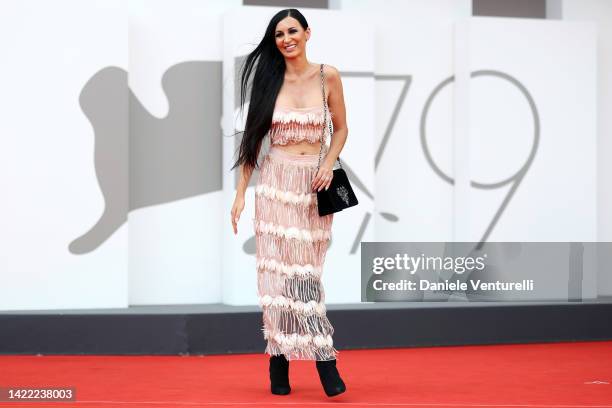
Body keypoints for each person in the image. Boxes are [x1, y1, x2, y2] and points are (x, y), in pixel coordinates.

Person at [229, 8, 348, 398]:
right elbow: (251, 142)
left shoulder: (328, 75)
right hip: (275, 185)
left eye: (292, 30)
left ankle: (302, 357)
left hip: (312, 185)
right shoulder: (269, 81)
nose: (285, 39)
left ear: (307, 33)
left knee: (307, 275)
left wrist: (329, 164)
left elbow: (342, 127)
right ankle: (293, 360)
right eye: (278, 34)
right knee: (279, 277)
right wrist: (241, 192)